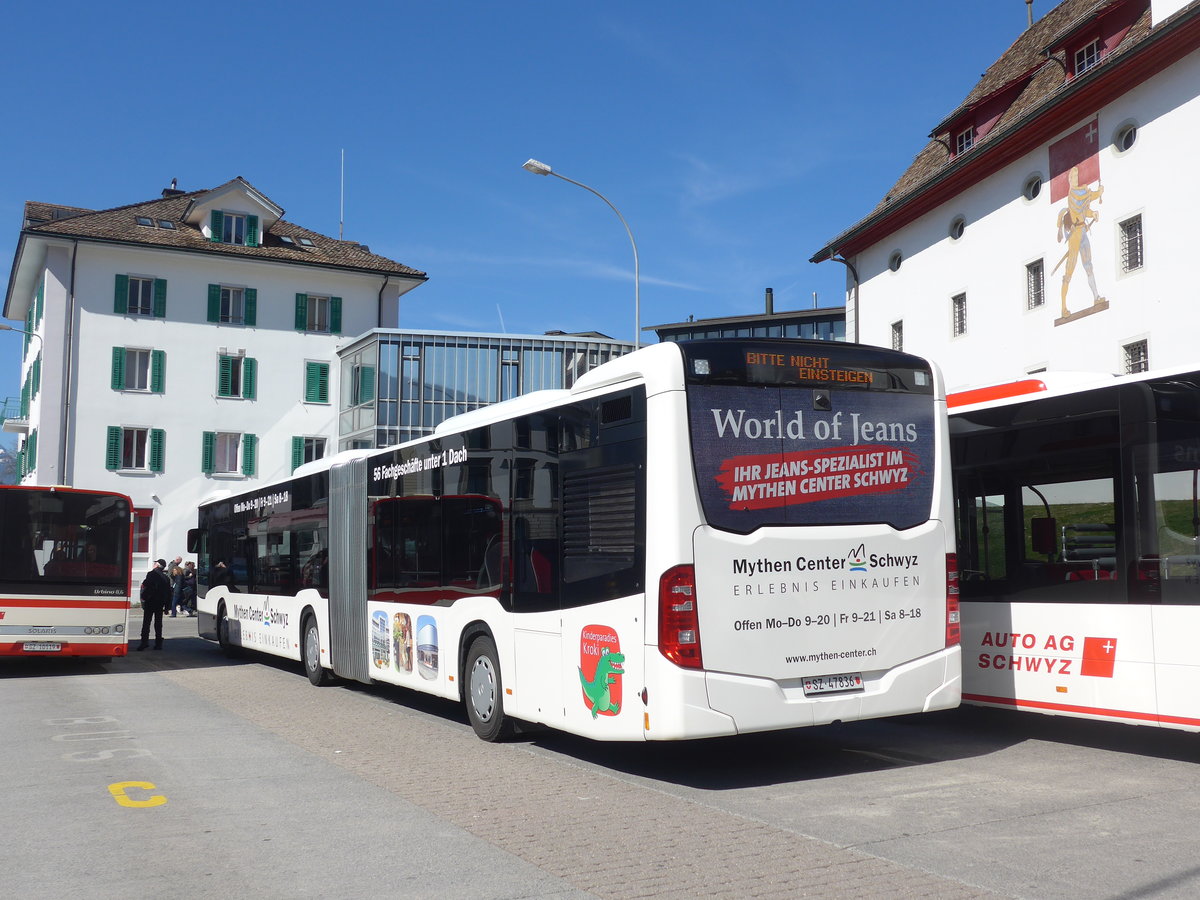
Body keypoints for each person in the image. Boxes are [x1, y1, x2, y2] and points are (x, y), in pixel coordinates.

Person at [137, 559, 172, 651]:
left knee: (146, 622)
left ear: (157, 565)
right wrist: (167, 607)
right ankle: (158, 643)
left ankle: (144, 642)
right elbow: (168, 593)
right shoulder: (166, 578)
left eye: (155, 563)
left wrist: (144, 598)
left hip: (150, 601)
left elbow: (146, 585)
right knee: (158, 623)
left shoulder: (151, 574)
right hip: (160, 603)